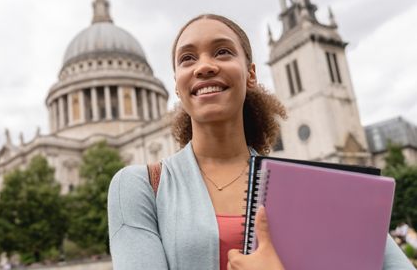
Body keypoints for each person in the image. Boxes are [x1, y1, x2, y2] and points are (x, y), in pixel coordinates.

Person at [107, 14, 414, 270]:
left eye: (223, 52)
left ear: (251, 74)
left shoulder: (321, 185)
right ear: (176, 84)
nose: (203, 66)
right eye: (187, 58)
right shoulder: (139, 186)